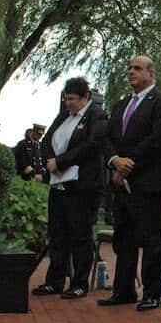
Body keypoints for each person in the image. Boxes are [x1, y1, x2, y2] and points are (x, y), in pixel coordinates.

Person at [97, 56, 161, 311]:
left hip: (148, 183)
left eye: (137, 68)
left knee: (152, 241)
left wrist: (129, 164)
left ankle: (152, 293)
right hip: (121, 183)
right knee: (124, 239)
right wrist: (115, 161)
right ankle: (124, 290)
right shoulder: (120, 105)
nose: (131, 72)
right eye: (129, 68)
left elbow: (157, 140)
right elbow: (107, 139)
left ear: (151, 74)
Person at [32, 77, 108, 299]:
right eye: (66, 99)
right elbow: (46, 142)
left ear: (85, 98)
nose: (68, 104)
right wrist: (49, 162)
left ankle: (79, 282)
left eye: (72, 99)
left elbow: (91, 146)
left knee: (80, 236)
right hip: (59, 185)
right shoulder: (64, 116)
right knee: (57, 235)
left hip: (83, 188)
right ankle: (54, 281)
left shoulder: (97, 116)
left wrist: (62, 161)